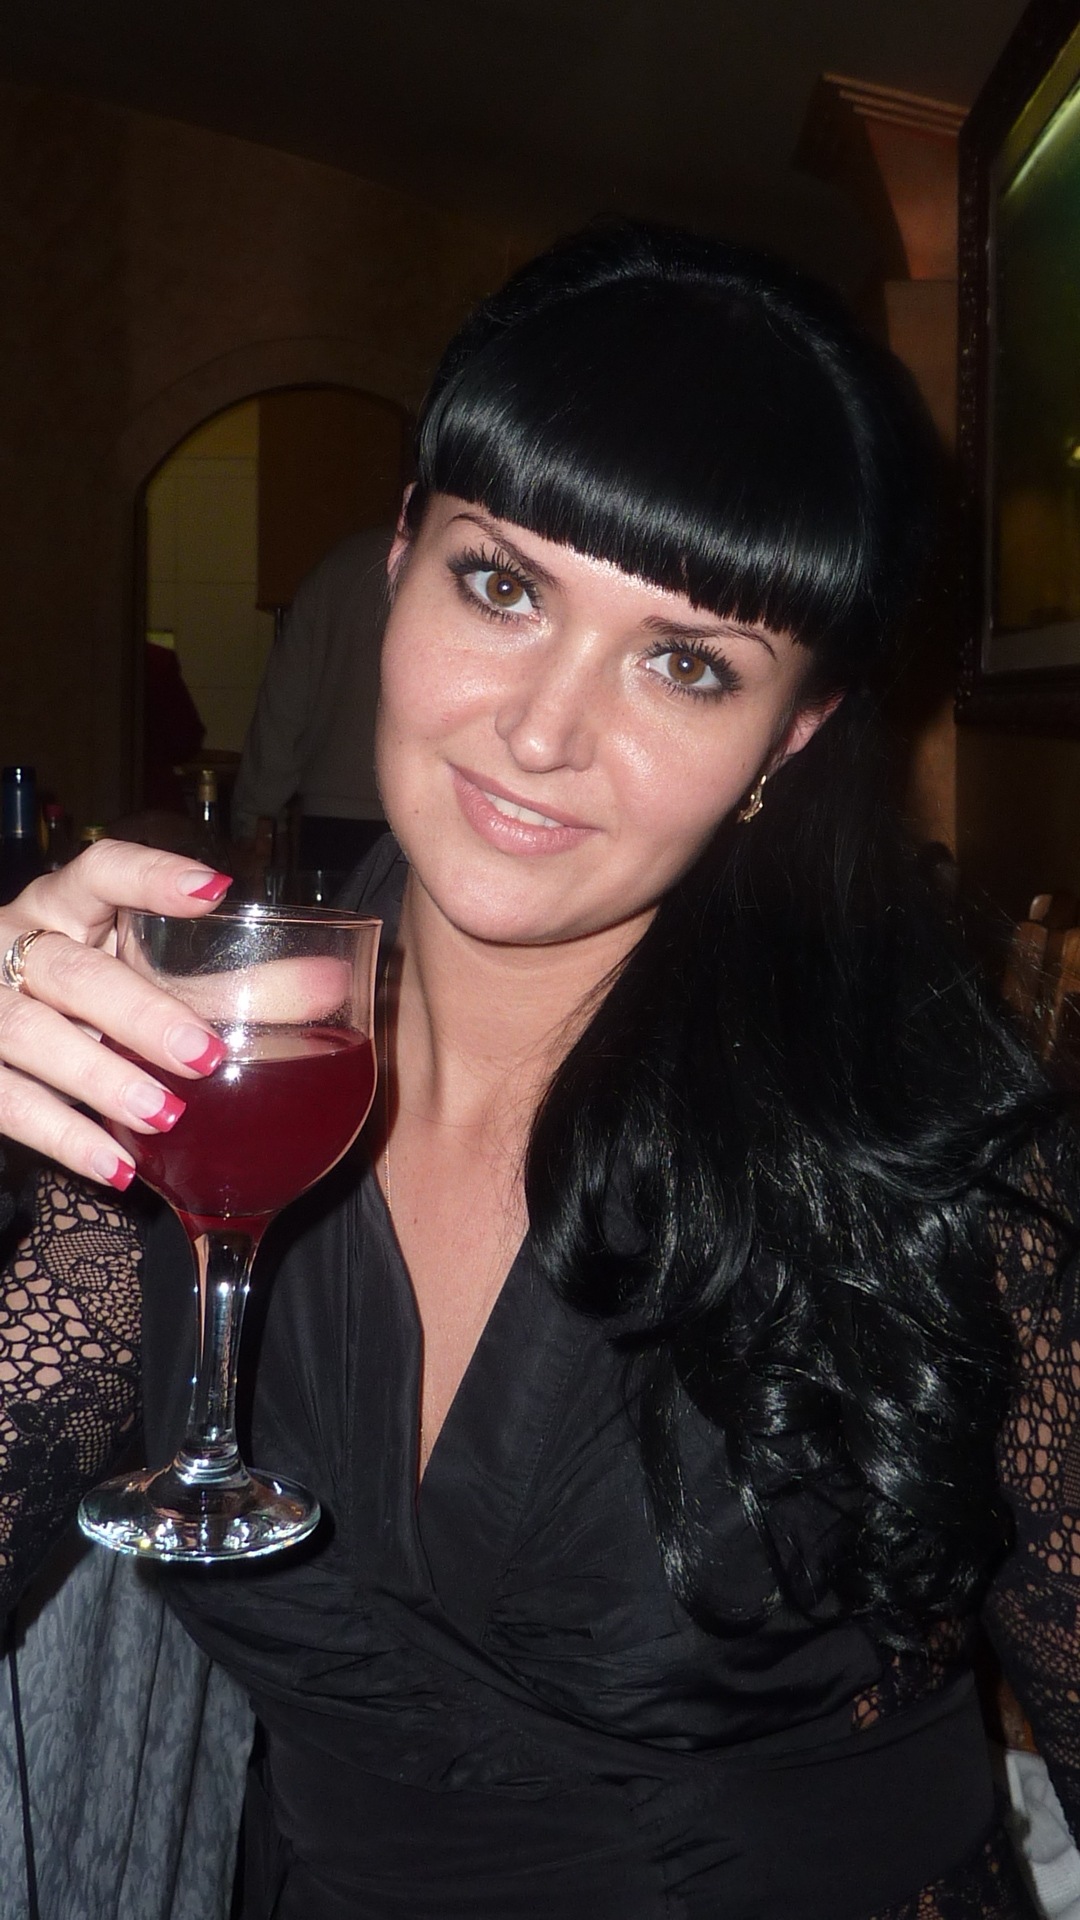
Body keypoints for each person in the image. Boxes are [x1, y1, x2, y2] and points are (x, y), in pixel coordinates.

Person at [0, 220, 1076, 1919]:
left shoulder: (938, 1169)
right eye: (504, 585)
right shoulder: (190, 1083)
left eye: (686, 662)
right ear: (402, 556)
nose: (543, 731)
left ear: (788, 739)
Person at [230, 524, 392, 873]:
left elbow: (283, 707)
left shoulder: (343, 565)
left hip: (333, 817)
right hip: (432, 812)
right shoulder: (456, 561)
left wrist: (255, 817)